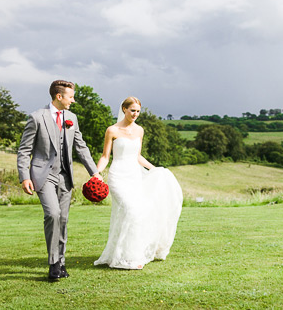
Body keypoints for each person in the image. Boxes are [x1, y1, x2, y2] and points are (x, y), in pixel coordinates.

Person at [17, 80, 102, 280]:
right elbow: (24, 150)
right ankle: (53, 263)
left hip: (65, 177)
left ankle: (61, 263)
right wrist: (24, 177)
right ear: (59, 96)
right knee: (53, 214)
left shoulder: (71, 118)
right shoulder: (37, 117)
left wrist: (94, 172)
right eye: (71, 97)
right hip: (43, 175)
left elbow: (81, 147)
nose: (73, 100)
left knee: (63, 220)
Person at [94, 97, 183, 270]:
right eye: (132, 110)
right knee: (131, 210)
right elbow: (106, 156)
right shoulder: (112, 130)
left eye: (138, 111)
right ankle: (125, 257)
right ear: (124, 109)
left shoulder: (140, 131)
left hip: (134, 176)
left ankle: (129, 254)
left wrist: (155, 169)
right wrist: (97, 173)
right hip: (118, 176)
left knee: (138, 213)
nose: (135, 114)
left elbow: (137, 156)